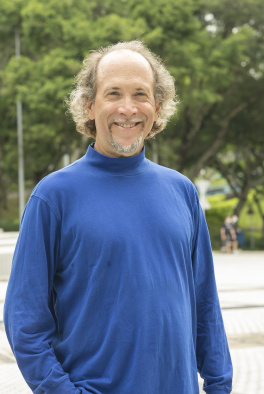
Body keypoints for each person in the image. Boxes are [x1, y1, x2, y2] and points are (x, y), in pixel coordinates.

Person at [3, 41, 232, 393]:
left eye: (140, 94)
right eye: (113, 94)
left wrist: (219, 385)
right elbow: (24, 322)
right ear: (90, 105)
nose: (128, 108)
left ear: (157, 106)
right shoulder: (53, 197)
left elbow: (205, 304)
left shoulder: (182, 191)